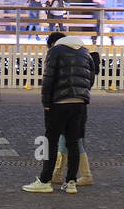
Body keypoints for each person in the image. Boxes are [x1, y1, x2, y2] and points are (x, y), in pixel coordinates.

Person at [22, 30, 94, 194]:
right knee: (73, 142)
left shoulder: (55, 51)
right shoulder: (84, 51)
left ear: (52, 44)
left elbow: (48, 78)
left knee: (51, 142)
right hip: (79, 103)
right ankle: (71, 183)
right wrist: (82, 94)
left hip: (59, 102)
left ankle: (45, 180)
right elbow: (90, 76)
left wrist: (46, 103)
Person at [53, 44, 100, 186]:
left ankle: (84, 175)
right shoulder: (86, 65)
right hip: (80, 105)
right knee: (69, 139)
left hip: (70, 104)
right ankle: (58, 173)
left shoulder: (73, 65)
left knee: (73, 140)